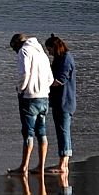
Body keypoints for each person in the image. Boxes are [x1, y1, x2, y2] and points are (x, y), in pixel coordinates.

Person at [8, 34, 54, 174]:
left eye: (14, 48)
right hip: (44, 97)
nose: (15, 52)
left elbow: (25, 73)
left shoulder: (24, 51)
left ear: (17, 44)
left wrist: (20, 89)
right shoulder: (42, 52)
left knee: (28, 132)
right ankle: (40, 167)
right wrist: (43, 89)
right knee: (42, 132)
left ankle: (24, 167)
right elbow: (50, 78)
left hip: (29, 97)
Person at [45, 34, 76, 173]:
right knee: (62, 130)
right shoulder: (62, 58)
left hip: (64, 101)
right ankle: (63, 162)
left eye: (49, 49)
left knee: (63, 131)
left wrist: (43, 84)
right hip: (60, 101)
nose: (49, 53)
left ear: (55, 47)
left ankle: (63, 164)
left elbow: (60, 80)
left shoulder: (65, 59)